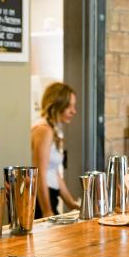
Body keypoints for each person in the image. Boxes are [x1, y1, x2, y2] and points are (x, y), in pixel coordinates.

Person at [31, 82, 79, 218]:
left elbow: (54, 171)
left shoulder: (52, 129)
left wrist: (71, 203)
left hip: (51, 195)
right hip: (40, 201)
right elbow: (39, 173)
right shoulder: (44, 130)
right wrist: (47, 211)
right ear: (57, 105)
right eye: (69, 106)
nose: (73, 111)